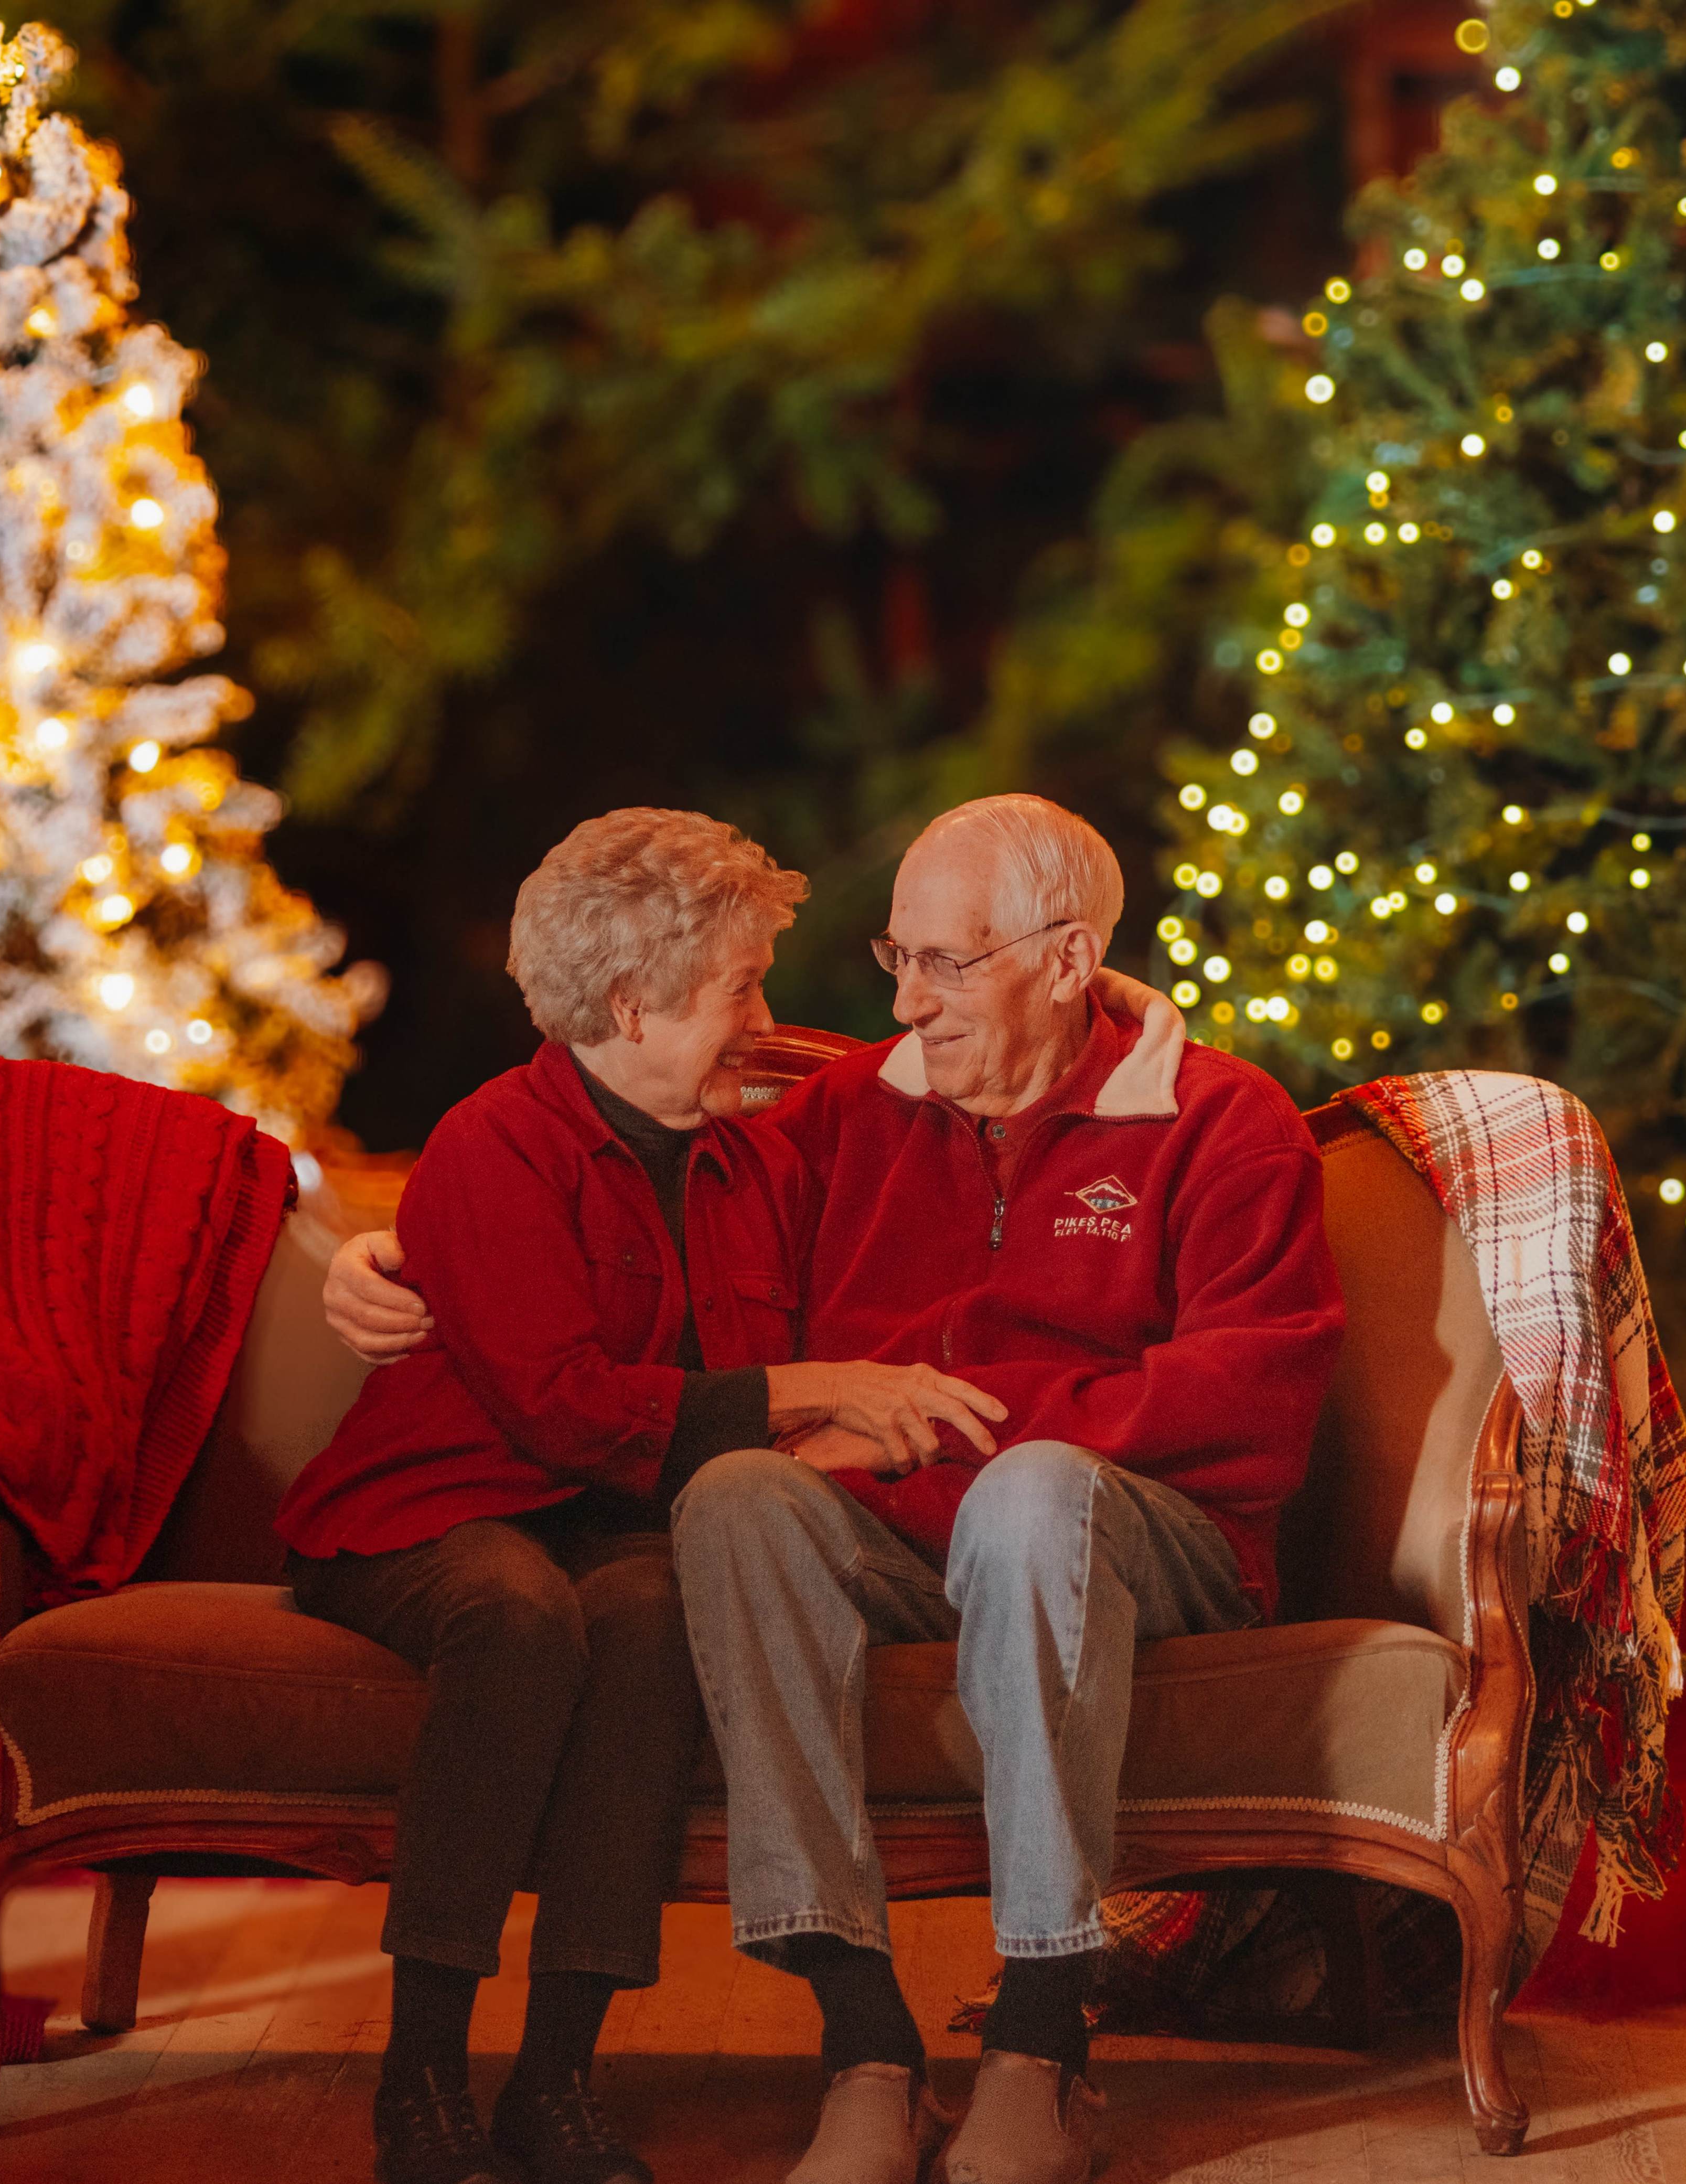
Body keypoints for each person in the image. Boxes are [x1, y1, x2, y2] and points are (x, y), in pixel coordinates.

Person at [330, 793, 1347, 2184]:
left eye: (949, 962)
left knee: (1033, 1491)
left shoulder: (1225, 1122)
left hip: (1129, 1534)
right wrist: (389, 1252)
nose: (909, 1003)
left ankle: (1042, 2042)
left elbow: (1254, 1409)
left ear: (1067, 956)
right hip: (897, 1533)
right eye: (897, 958)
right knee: (740, 1496)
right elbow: (614, 1161)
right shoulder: (853, 1111)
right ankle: (864, 2037)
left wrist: (950, 1431)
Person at [280, 808, 1006, 2184]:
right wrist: (812, 1386)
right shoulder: (495, 1144)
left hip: (618, 1523)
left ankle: (556, 2079)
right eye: (742, 984)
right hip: (434, 1510)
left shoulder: (754, 1154)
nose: (766, 1017)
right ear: (629, 1001)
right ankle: (420, 2079)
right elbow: (560, 1408)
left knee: (657, 1609)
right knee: (515, 1614)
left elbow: (964, 1065)